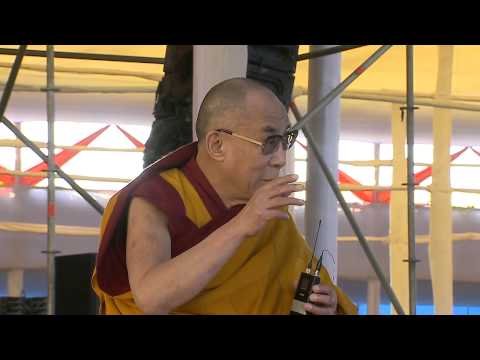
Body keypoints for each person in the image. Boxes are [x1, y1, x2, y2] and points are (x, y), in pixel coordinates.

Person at [92, 78, 357, 315]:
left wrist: (327, 307)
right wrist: (241, 225)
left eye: (284, 140)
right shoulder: (156, 199)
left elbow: (293, 292)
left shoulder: (268, 216)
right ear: (217, 145)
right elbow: (151, 297)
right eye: (268, 143)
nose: (280, 159)